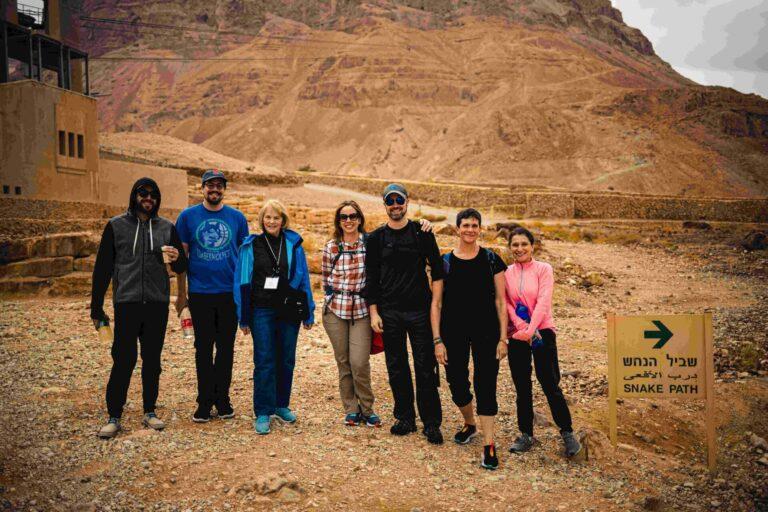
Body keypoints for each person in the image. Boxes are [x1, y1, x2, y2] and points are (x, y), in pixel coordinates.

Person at [91, 178, 188, 439]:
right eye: (143, 193)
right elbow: (103, 268)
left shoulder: (167, 227)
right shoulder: (116, 226)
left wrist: (177, 259)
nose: (148, 198)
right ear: (134, 195)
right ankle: (114, 416)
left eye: (153, 194)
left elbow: (181, 267)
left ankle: (149, 411)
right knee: (123, 360)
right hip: (127, 303)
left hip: (157, 304)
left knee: (152, 360)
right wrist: (96, 307)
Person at [322, 201, 432, 427]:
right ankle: (351, 409)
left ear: (360, 219)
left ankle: (367, 408)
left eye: (353, 216)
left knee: (359, 362)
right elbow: (326, 280)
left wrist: (423, 223)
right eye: (344, 217)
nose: (349, 221)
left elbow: (378, 272)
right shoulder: (331, 247)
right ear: (338, 221)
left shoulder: (370, 241)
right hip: (335, 310)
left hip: (362, 309)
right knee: (343, 361)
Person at [364, 183, 446, 444]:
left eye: (399, 200)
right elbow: (371, 278)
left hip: (420, 310)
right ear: (385, 205)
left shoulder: (422, 232)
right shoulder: (375, 238)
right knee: (396, 366)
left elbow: (437, 269)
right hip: (389, 312)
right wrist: (374, 313)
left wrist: (436, 303)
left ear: (407, 202)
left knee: (425, 366)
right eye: (390, 201)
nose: (395, 205)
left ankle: (431, 422)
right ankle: (405, 418)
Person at [431, 208, 508, 469]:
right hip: (453, 332)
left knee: (486, 384)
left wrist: (503, 338)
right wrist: (437, 340)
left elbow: (501, 301)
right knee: (457, 383)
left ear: (480, 229)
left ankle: (489, 444)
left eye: (475, 225)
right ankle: (470, 423)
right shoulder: (444, 262)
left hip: (487, 331)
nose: (470, 230)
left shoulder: (492, 260)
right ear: (457, 229)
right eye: (466, 225)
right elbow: (436, 303)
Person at [233, 199, 315, 435]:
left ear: (283, 220)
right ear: (262, 220)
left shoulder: (293, 244)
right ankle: (263, 411)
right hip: (261, 310)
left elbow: (304, 277)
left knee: (286, 358)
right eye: (267, 217)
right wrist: (243, 316)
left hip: (288, 309)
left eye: (276, 217)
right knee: (265, 359)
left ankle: (280, 404)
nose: (271, 221)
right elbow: (242, 282)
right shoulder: (252, 245)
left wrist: (308, 310)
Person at [175, 170, 249, 423]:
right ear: (202, 188)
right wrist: (181, 295)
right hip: (200, 294)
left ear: (224, 189)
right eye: (210, 185)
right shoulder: (187, 217)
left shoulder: (237, 218)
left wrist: (245, 294)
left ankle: (223, 400)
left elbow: (245, 258)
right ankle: (204, 402)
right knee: (203, 349)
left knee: (226, 349)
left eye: (219, 185)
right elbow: (181, 260)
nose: (214, 189)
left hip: (229, 294)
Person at [504, 227, 581, 457]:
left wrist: (532, 330)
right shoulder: (506, 272)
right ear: (510, 247)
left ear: (532, 246)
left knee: (549, 382)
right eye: (515, 245)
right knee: (522, 385)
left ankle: (567, 432)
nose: (519, 249)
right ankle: (526, 434)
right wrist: (520, 327)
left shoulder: (544, 269)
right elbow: (505, 302)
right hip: (517, 334)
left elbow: (544, 301)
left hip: (543, 331)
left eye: (524, 244)